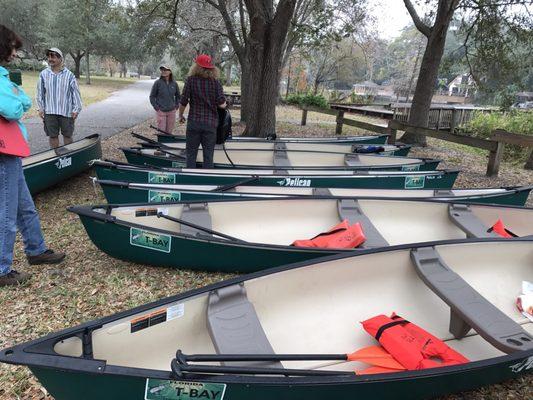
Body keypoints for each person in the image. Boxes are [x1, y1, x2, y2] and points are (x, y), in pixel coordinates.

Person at [0, 26, 65, 287]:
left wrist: (18, 98)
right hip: (3, 152)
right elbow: (15, 108)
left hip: (10, 151)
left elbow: (22, 101)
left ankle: (36, 249)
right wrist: (18, 98)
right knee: (6, 211)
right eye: (13, 48)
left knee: (24, 205)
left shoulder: (4, 76)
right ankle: (2, 269)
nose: (15, 53)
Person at [178, 54, 226, 169]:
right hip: (210, 124)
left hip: (194, 122)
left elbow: (183, 101)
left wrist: (180, 115)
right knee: (208, 156)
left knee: (190, 155)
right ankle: (206, 182)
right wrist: (225, 103)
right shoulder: (216, 83)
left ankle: (189, 181)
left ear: (196, 66)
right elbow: (222, 105)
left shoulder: (190, 80)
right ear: (212, 68)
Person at [36, 47, 82, 149]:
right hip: (50, 111)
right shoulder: (43, 74)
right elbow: (40, 93)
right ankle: (56, 158)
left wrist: (76, 109)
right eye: (49, 56)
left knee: (67, 135)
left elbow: (75, 93)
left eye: (53, 56)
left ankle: (69, 156)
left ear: (60, 58)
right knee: (53, 136)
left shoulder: (69, 75)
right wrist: (40, 108)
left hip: (66, 111)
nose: (50, 58)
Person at [150, 65, 180, 134]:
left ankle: (167, 144)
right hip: (161, 111)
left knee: (169, 132)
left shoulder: (174, 84)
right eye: (162, 70)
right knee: (162, 132)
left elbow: (178, 96)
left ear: (170, 72)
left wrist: (176, 106)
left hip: (171, 111)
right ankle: (160, 144)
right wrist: (156, 108)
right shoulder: (157, 83)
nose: (163, 71)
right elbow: (152, 96)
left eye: (165, 70)